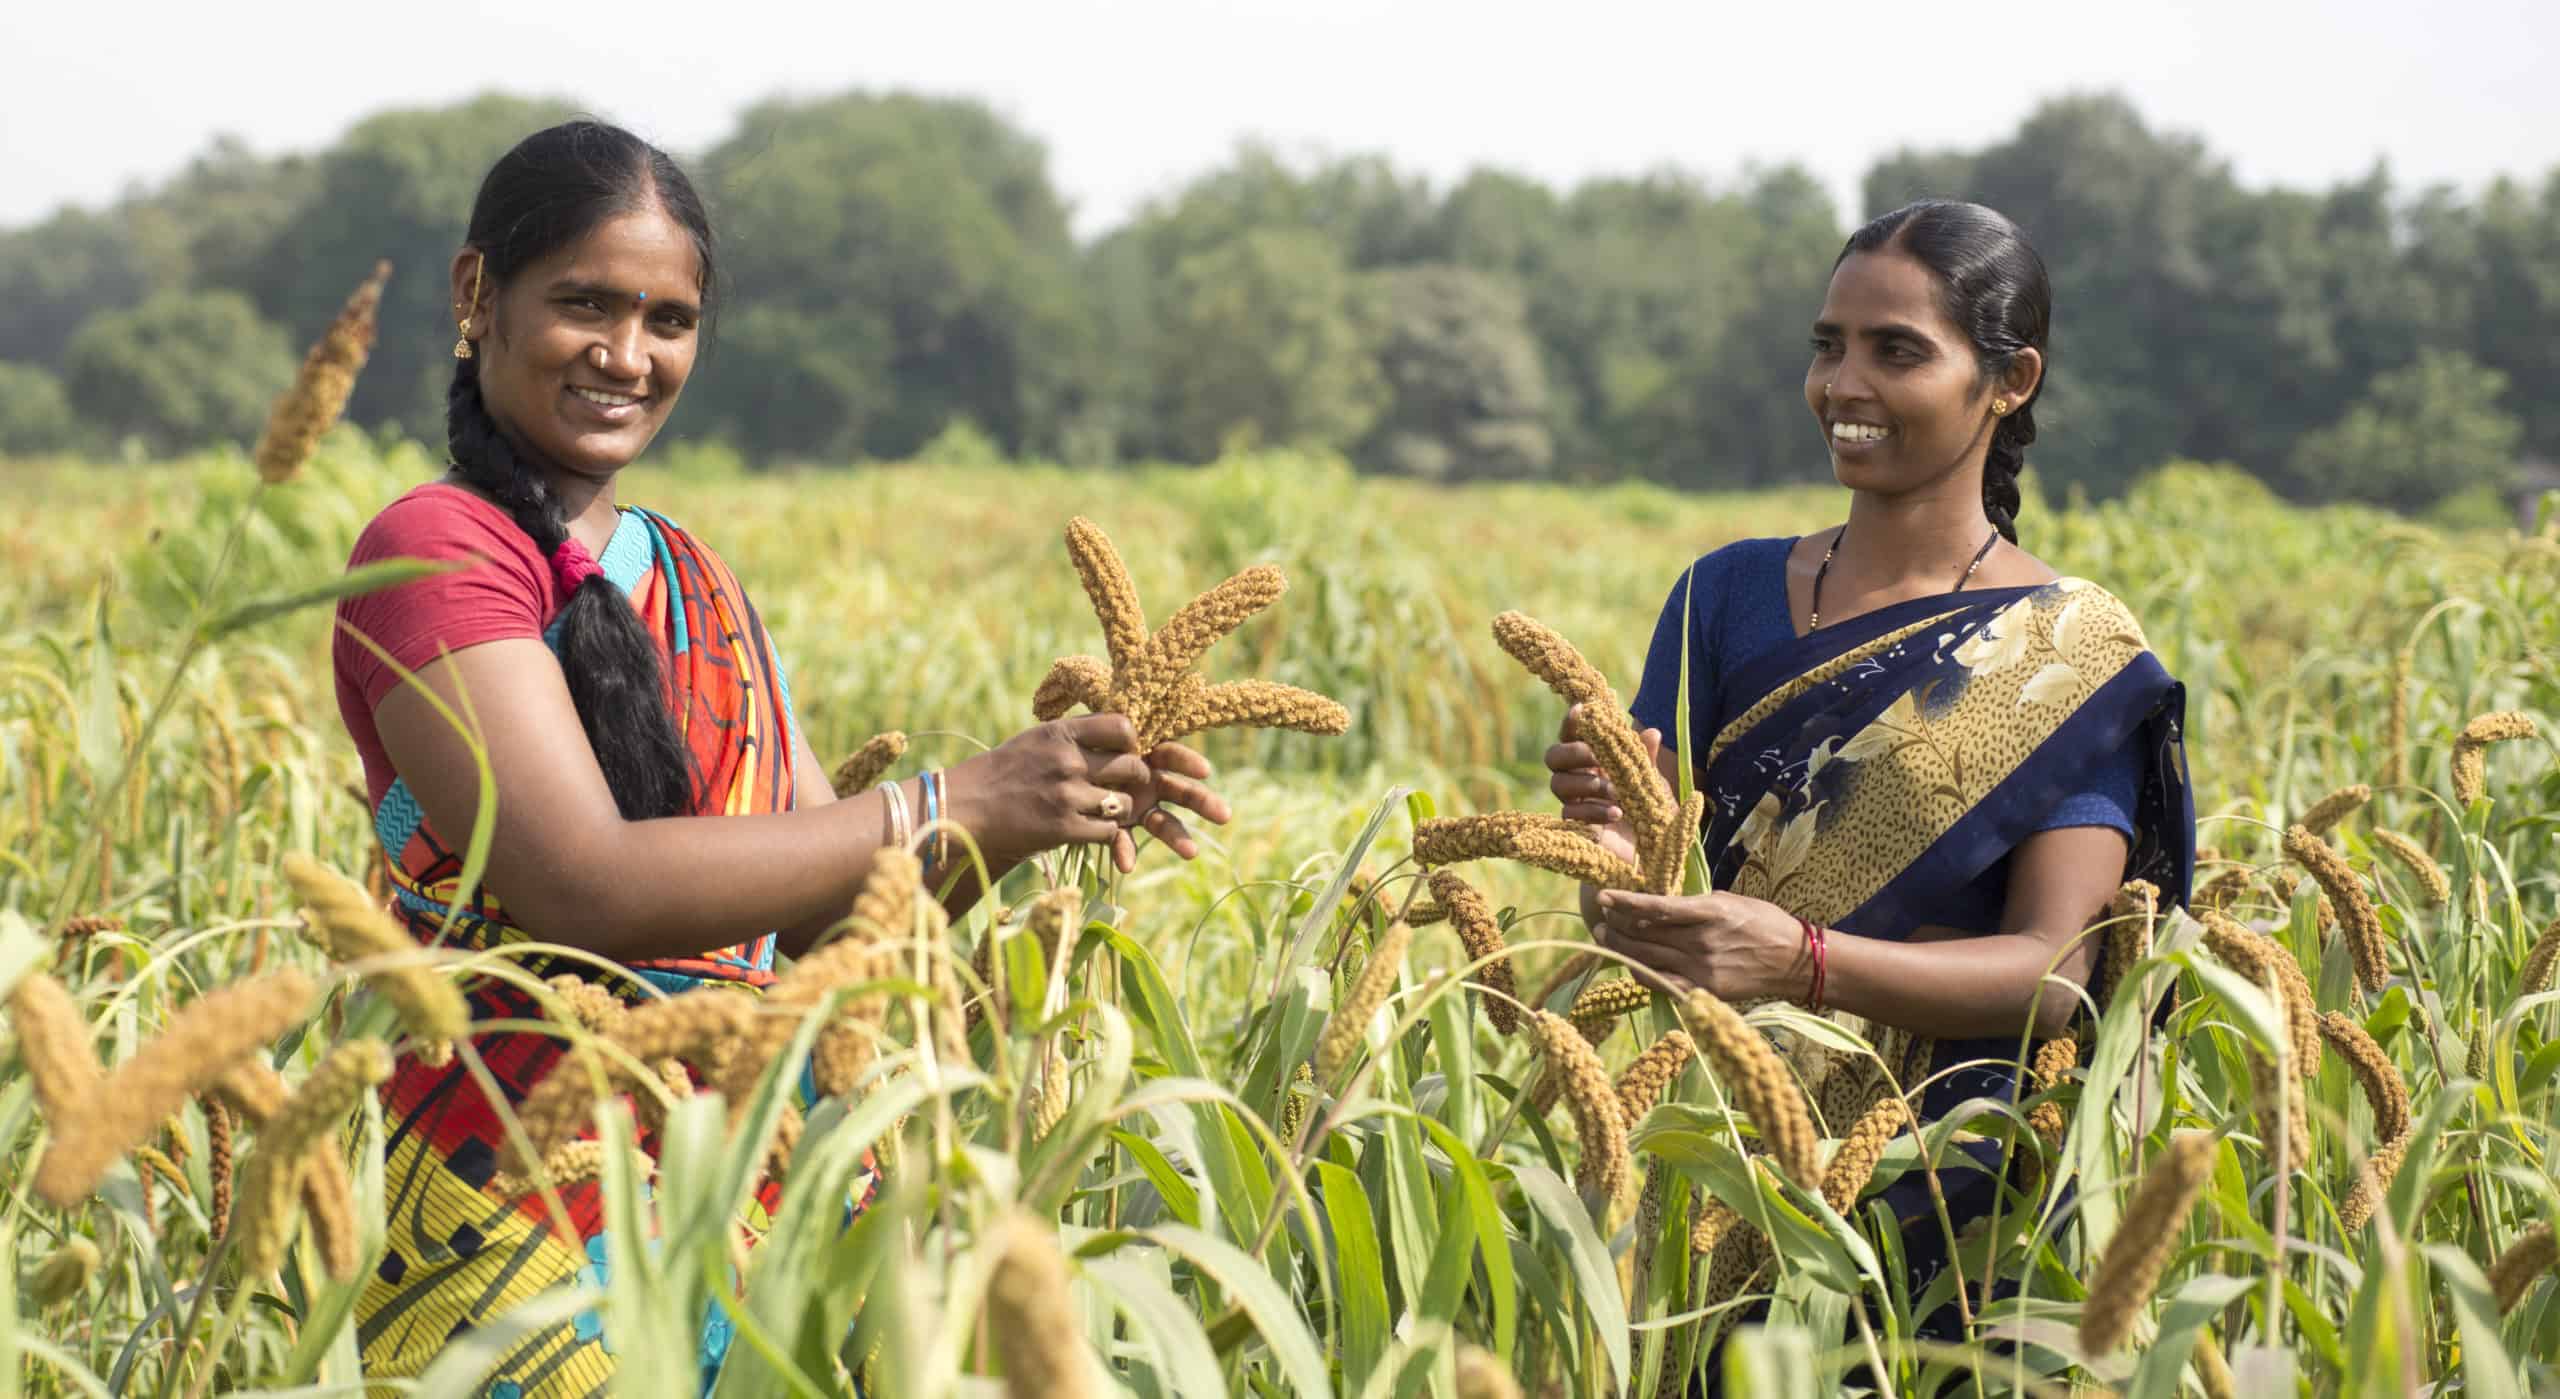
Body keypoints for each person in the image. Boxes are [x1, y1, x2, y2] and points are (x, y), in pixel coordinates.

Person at [330, 120, 1229, 1394]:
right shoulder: (436, 553)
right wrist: (947, 795)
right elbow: (580, 882)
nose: (626, 356)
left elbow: (825, 936)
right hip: (517, 1230)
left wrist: (1027, 812)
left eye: (668, 319)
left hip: (749, 1221)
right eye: (584, 304)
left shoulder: (695, 578)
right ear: (478, 295)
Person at [1544, 200, 2195, 1361]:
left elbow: (2056, 976)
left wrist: (1801, 961)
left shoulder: (2067, 659)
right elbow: (1631, 919)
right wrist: (1600, 838)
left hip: (1932, 1197)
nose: (1843, 382)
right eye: (1827, 344)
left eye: (1896, 351)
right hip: (1709, 1157)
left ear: (2009, 380)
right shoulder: (1724, 595)